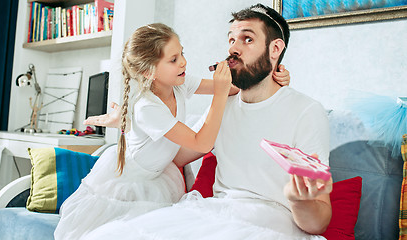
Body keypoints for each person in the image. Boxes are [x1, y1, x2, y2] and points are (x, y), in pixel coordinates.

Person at [78, 4, 332, 240]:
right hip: (216, 212)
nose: (233, 48)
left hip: (272, 221)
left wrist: (300, 201)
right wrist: (132, 124)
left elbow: (318, 223)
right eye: (231, 40)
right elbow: (177, 155)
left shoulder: (307, 111)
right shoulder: (222, 105)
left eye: (247, 39)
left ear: (275, 49)